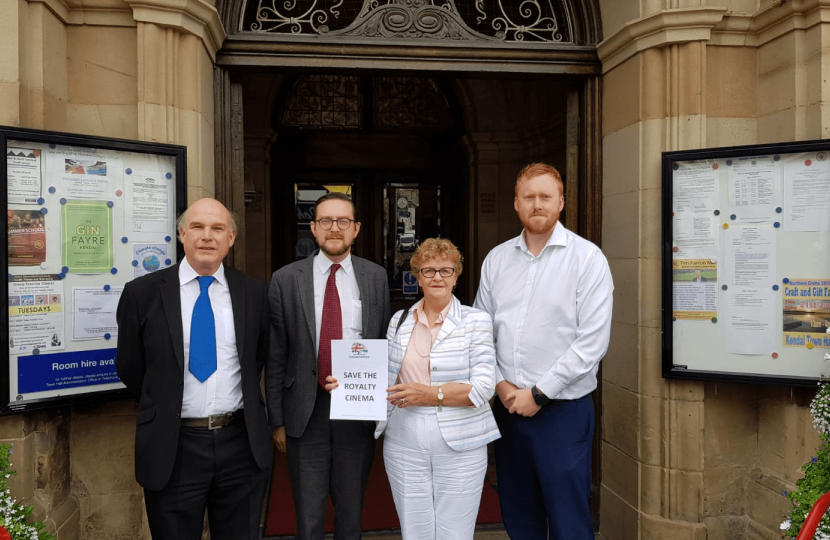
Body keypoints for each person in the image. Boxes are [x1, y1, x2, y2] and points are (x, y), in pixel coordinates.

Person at [116, 198, 272, 539]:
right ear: (182, 233)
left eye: (218, 229)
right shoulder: (142, 293)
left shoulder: (255, 292)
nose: (207, 236)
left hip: (240, 443)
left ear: (231, 238)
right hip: (174, 447)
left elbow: (257, 358)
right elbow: (130, 367)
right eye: (198, 227)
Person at [474, 163, 614, 539]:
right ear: (516, 204)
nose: (537, 204)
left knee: (568, 520)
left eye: (546, 197)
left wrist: (538, 393)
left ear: (561, 202)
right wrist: (501, 387)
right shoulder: (496, 260)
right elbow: (481, 332)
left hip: (562, 414)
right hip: (508, 411)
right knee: (519, 517)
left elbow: (592, 342)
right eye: (529, 197)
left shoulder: (588, 260)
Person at [329, 238, 499, 539]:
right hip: (404, 440)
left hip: (461, 444)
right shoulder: (400, 320)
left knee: (455, 533)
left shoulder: (476, 321)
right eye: (428, 270)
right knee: (414, 531)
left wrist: (430, 394)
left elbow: (484, 387)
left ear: (457, 276)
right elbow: (387, 379)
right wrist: (349, 383)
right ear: (417, 276)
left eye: (445, 270)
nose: (437, 277)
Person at [267, 192, 391, 540]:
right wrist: (276, 419)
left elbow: (380, 340)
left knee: (352, 512)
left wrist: (382, 406)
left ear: (356, 229)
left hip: (357, 408)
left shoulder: (375, 277)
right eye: (326, 221)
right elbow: (277, 354)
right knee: (308, 515)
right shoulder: (286, 279)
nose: (334, 228)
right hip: (306, 412)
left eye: (343, 221)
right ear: (313, 228)